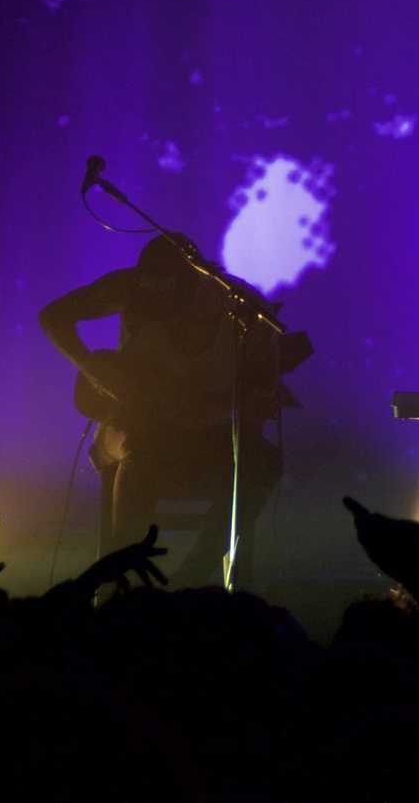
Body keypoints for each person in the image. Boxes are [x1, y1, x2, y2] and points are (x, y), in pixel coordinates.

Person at [38, 231, 309, 579]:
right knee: (142, 450)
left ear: (199, 281)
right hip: (136, 426)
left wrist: (252, 408)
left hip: (210, 433)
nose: (160, 313)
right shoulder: (128, 287)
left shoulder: (246, 310)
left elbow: (261, 399)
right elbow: (53, 315)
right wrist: (92, 370)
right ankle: (124, 583)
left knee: (264, 464)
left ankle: (192, 578)